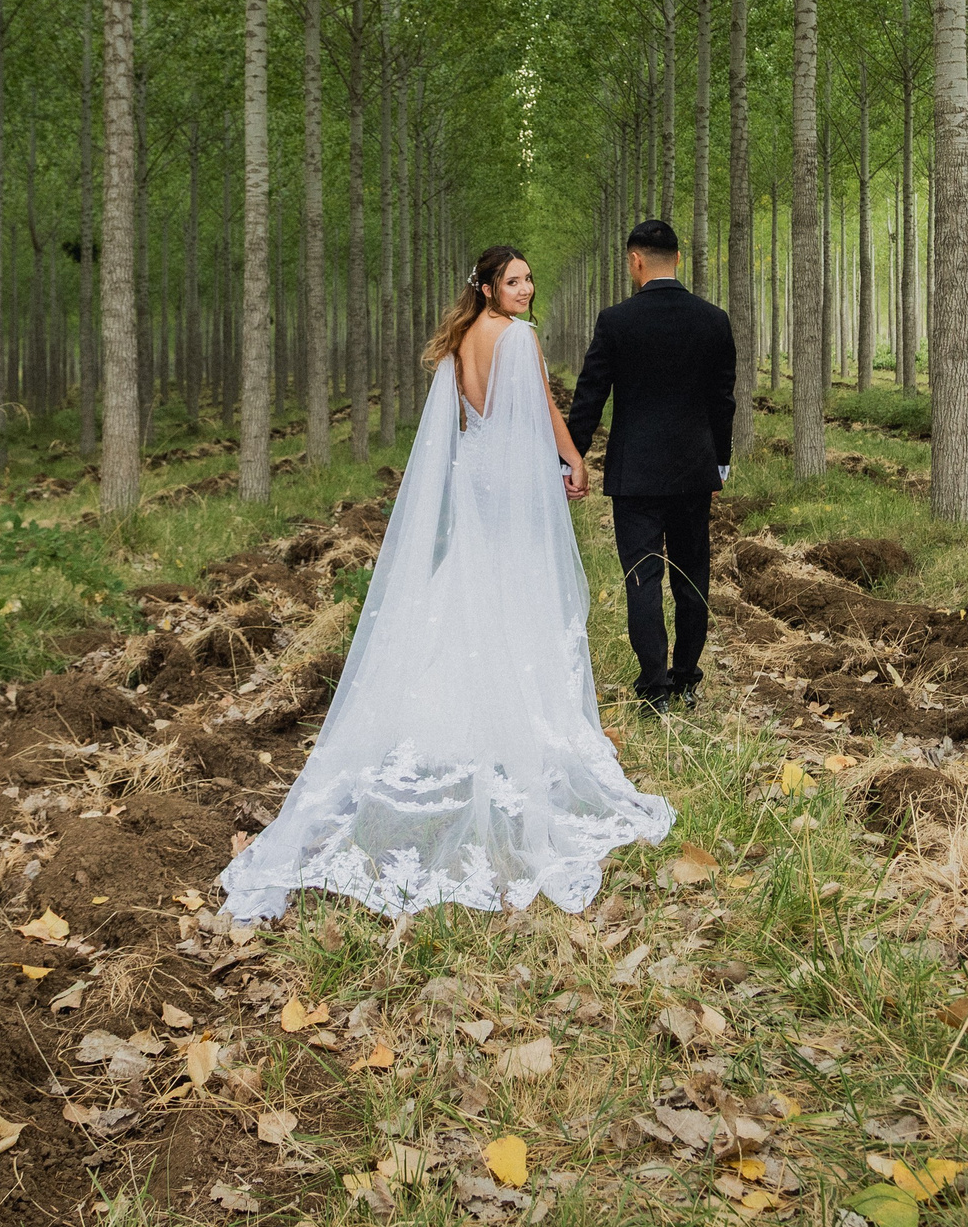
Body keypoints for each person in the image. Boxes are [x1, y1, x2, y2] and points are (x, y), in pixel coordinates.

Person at [219, 245, 675, 921]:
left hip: (476, 470)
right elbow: (546, 409)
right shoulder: (520, 337)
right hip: (515, 473)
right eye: (514, 280)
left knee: (472, 574)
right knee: (521, 582)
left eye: (528, 278)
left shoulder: (462, 339)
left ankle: (456, 694)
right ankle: (517, 703)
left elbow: (468, 417)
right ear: (489, 288)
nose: (526, 288)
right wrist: (574, 459)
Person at [564, 220, 736, 712]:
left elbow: (589, 396)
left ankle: (654, 688)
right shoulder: (713, 320)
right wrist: (719, 463)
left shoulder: (616, 321)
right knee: (691, 576)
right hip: (692, 471)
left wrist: (570, 456)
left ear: (635, 261)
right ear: (677, 259)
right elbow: (722, 401)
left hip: (635, 474)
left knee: (643, 577)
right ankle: (687, 679)